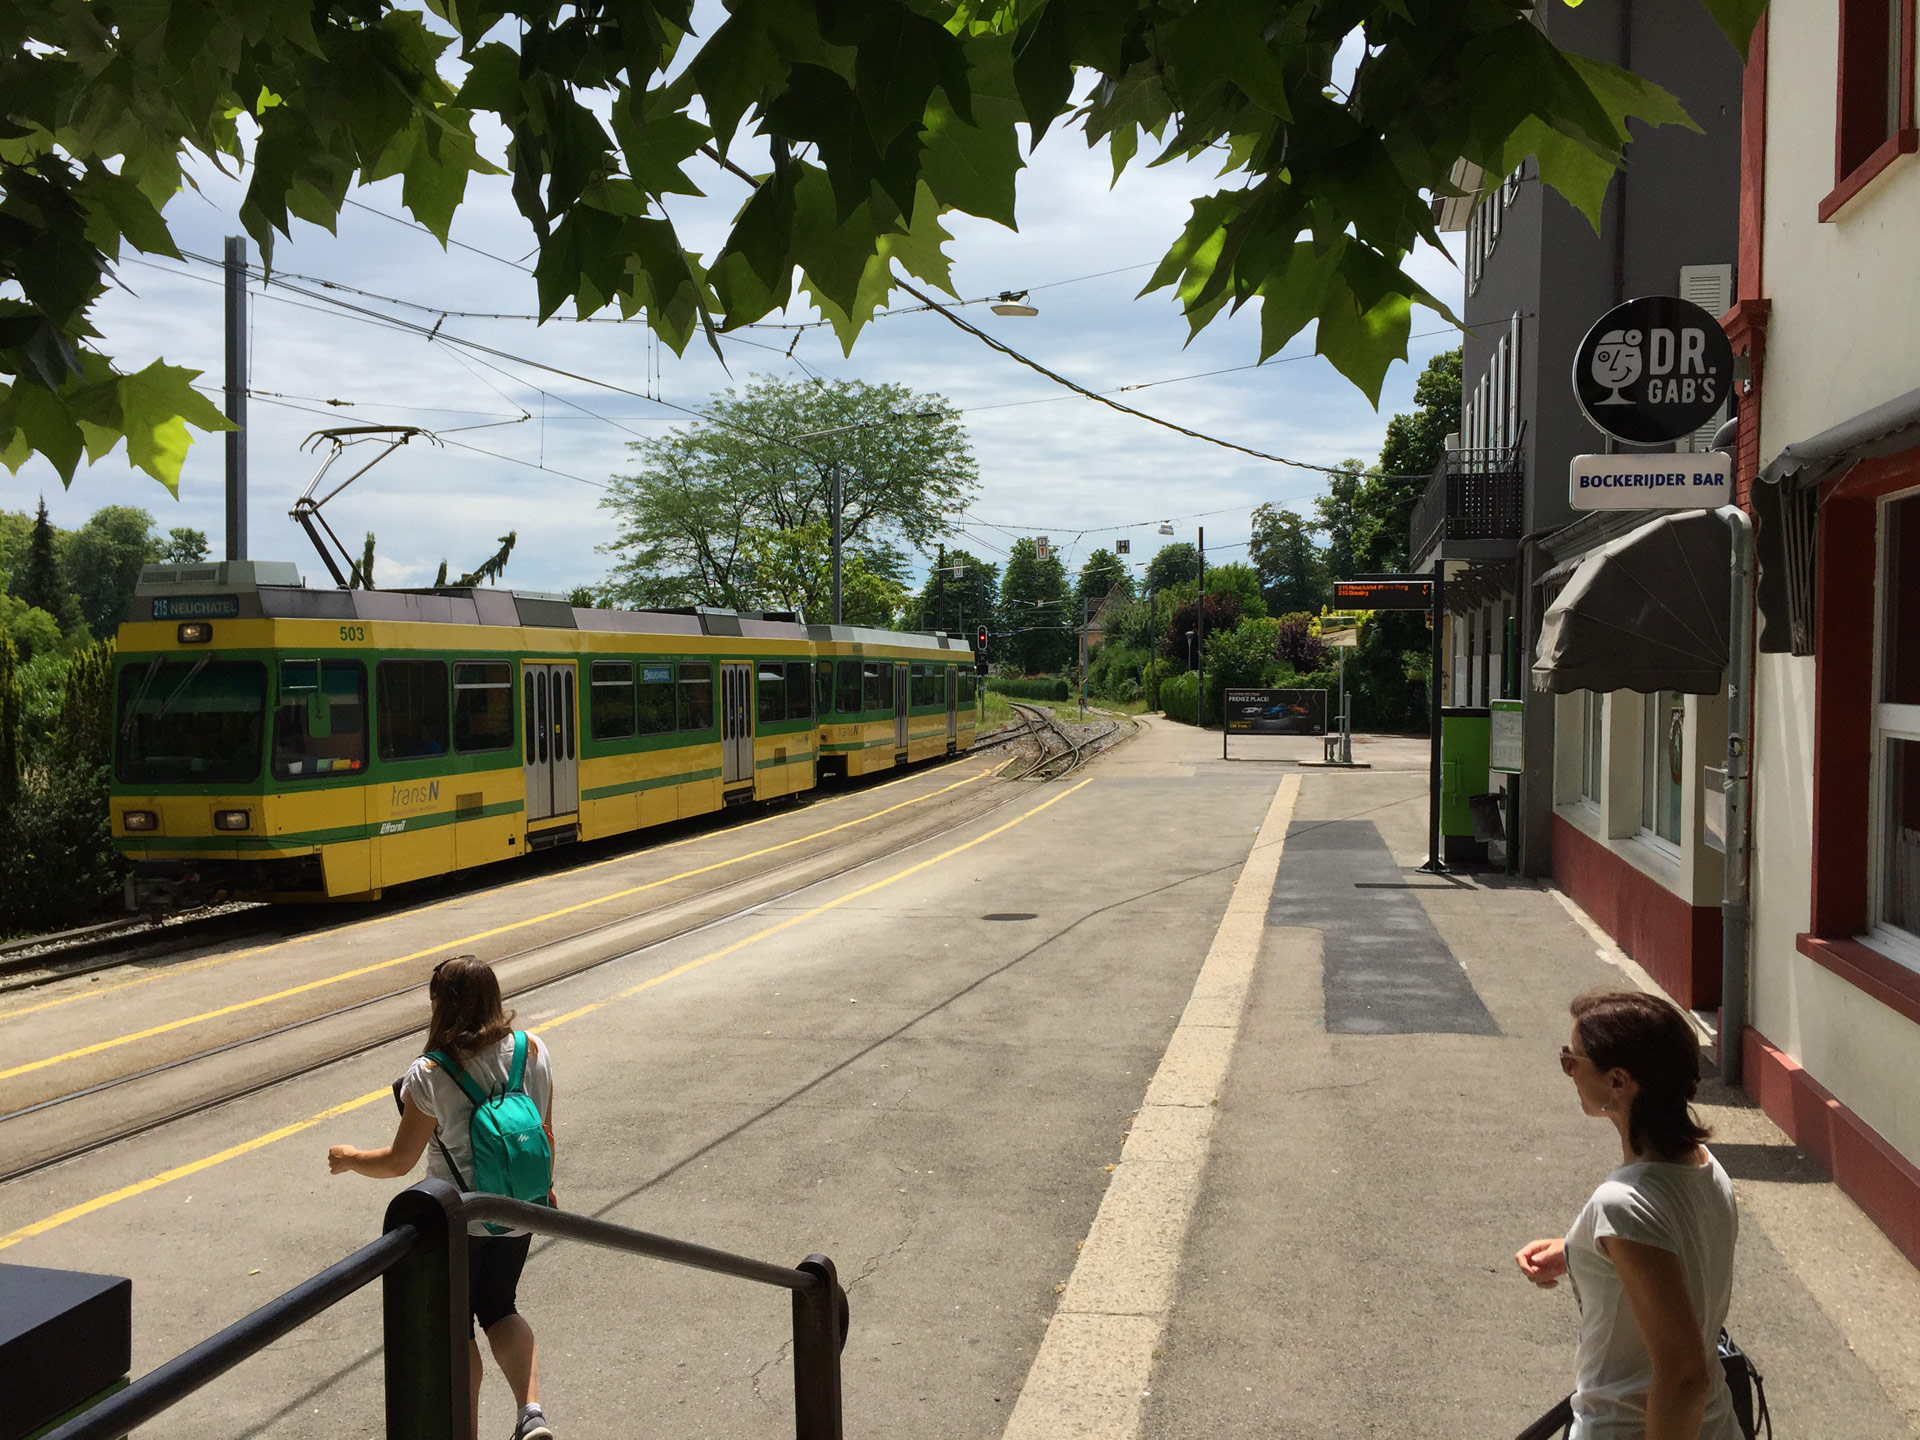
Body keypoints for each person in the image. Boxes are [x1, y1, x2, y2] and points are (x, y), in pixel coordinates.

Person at [328, 955, 556, 1440]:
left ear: (440, 1005)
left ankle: (463, 1432)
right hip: (520, 1207)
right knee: (501, 1306)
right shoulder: (532, 1049)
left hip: (460, 1219)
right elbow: (546, 1134)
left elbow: (398, 1162)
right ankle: (531, 1413)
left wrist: (350, 1158)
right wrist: (541, 1194)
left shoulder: (430, 1073)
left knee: (457, 1329)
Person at [1515, 990, 1739, 1440]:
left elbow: (1684, 1378)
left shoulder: (1622, 1204)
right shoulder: (1704, 1166)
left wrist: (1605, 1239)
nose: (1569, 1070)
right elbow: (1680, 1249)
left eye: (1571, 1060)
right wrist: (1582, 1250)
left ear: (1618, 1081)